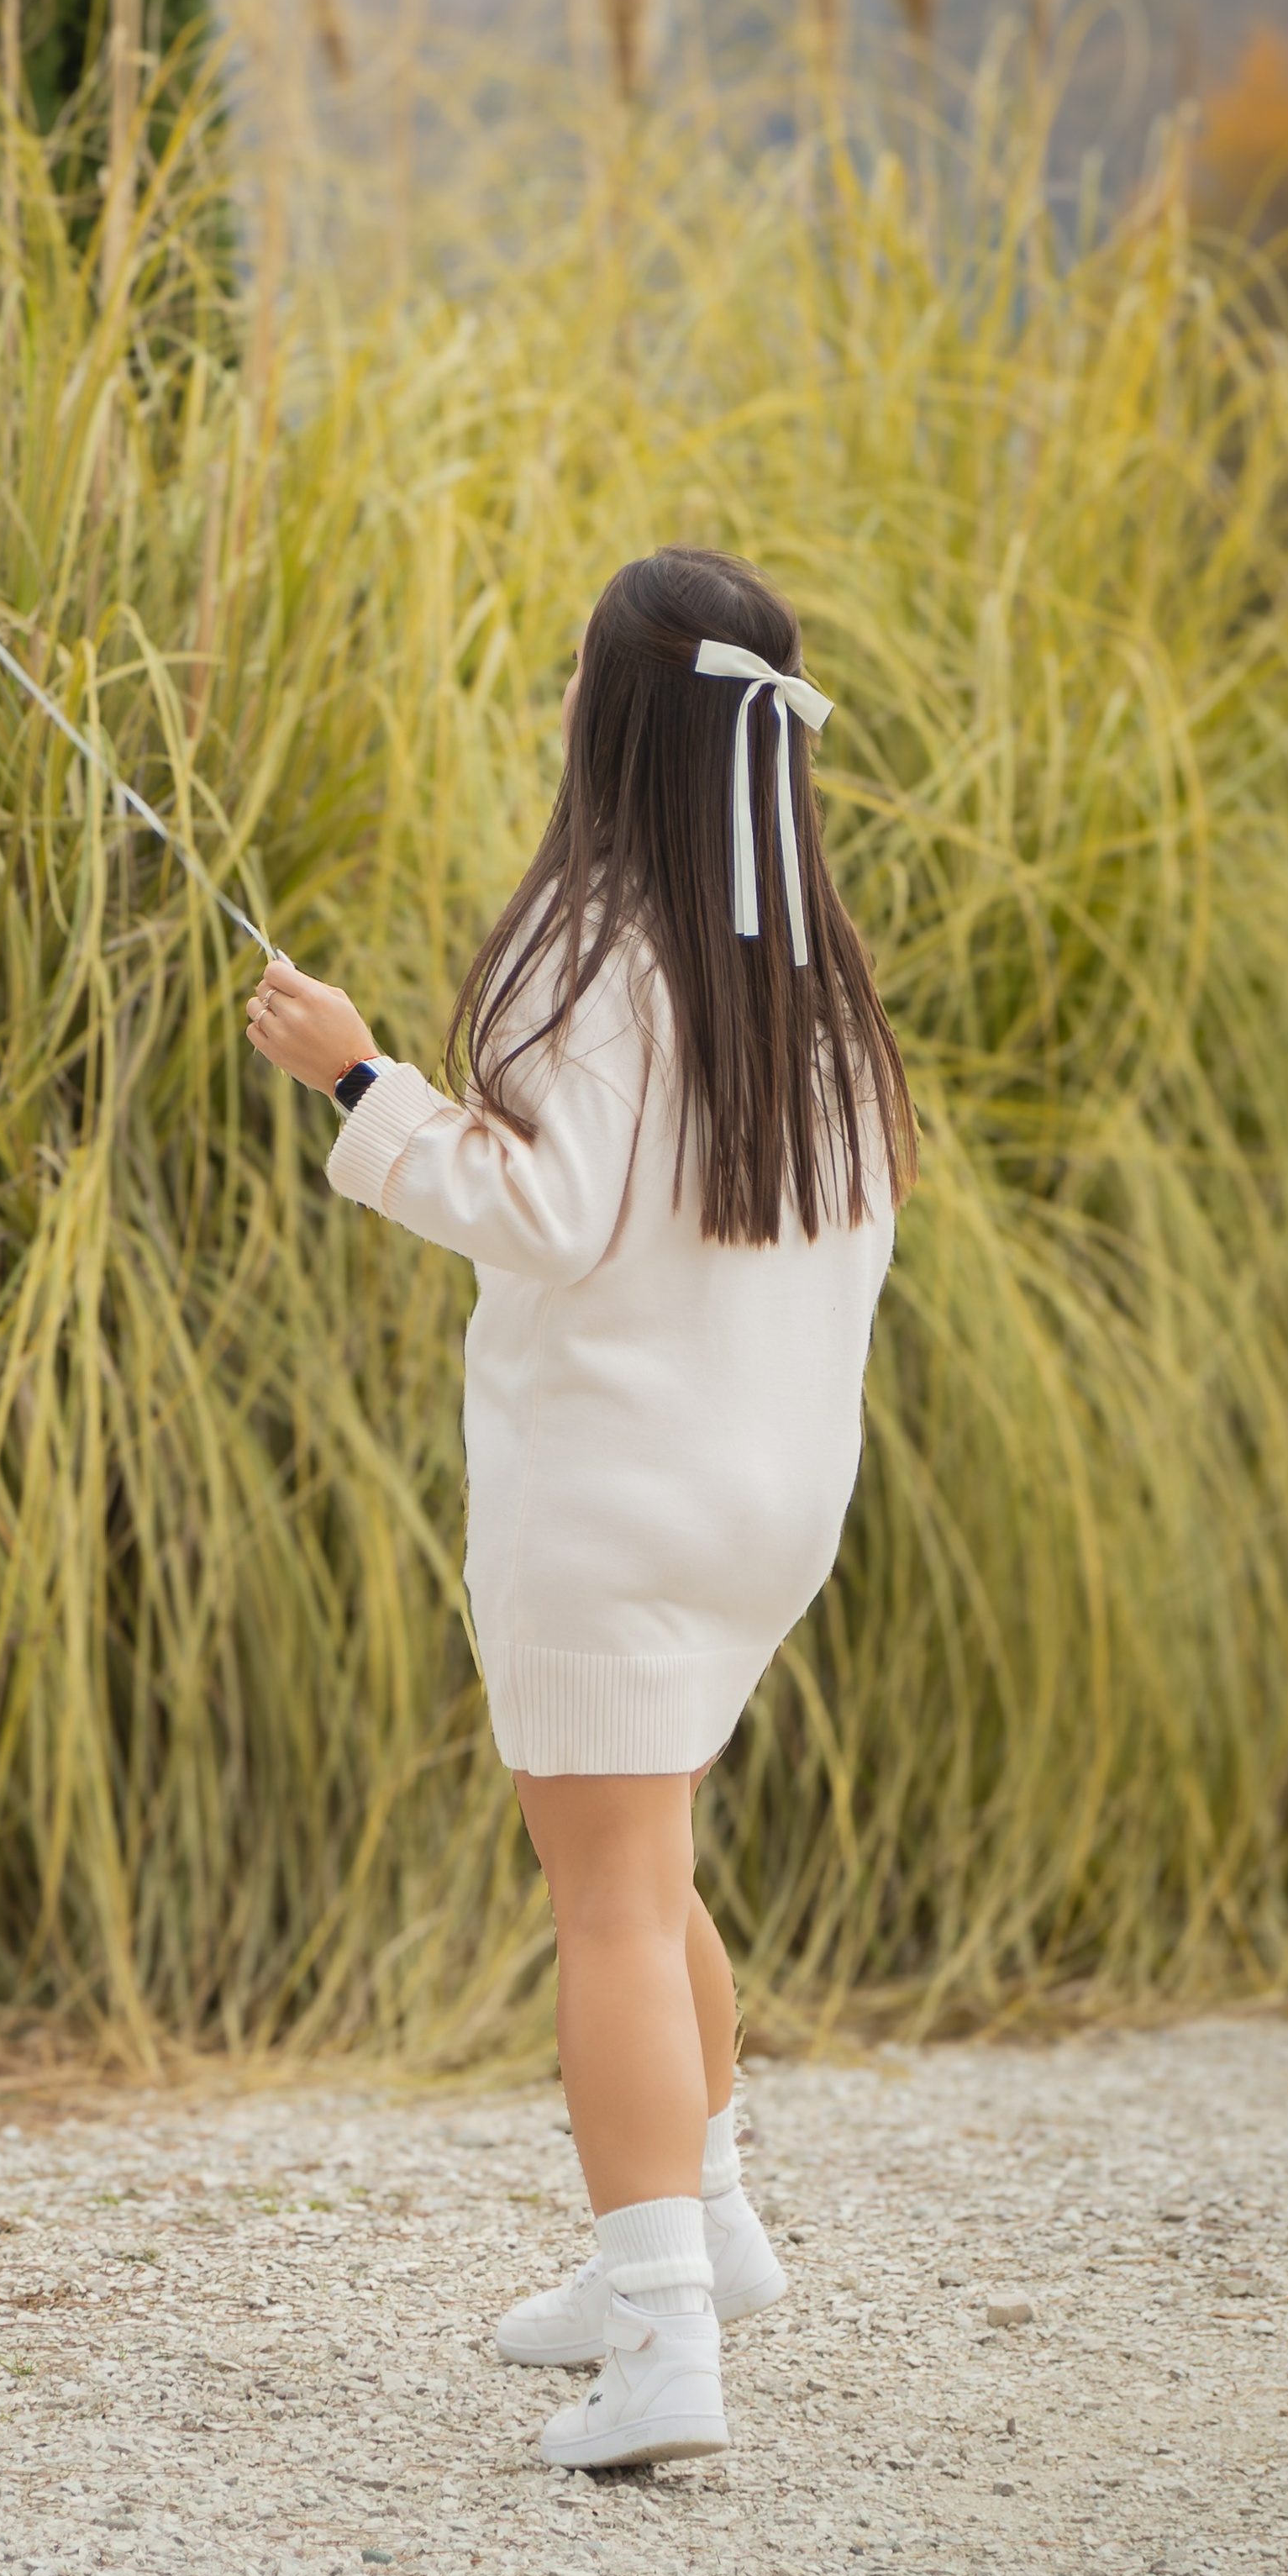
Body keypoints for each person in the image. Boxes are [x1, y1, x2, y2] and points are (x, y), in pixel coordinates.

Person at [244, 546, 916, 2471]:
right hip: (768, 1502)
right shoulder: (806, 968)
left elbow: (542, 1216)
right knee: (652, 1861)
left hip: (614, 1505)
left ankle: (663, 2350)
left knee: (605, 1902)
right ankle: (696, 2226)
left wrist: (355, 1075)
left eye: (568, 675)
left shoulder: (585, 944)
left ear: (609, 719)